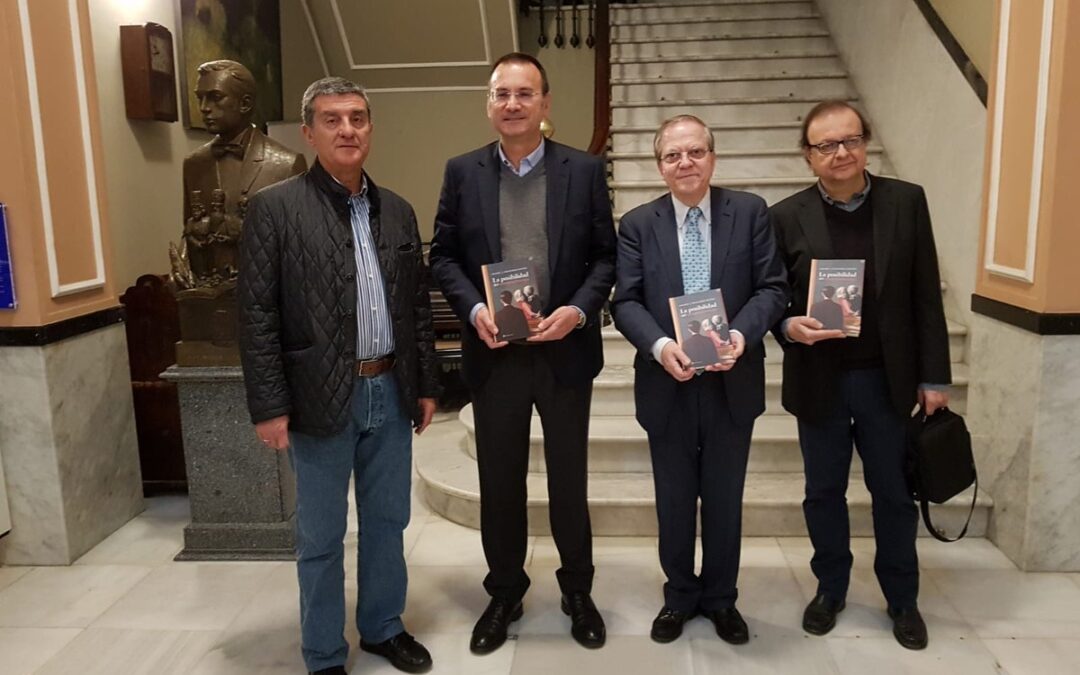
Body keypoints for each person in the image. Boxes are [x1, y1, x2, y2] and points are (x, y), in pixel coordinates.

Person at [237, 77, 440, 675]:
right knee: (321, 536)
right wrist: (268, 404)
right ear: (309, 132)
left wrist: (427, 385)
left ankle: (383, 626)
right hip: (318, 395)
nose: (347, 129)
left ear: (370, 128)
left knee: (388, 521)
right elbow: (256, 314)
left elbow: (415, 309)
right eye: (332, 120)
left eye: (357, 118)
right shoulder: (274, 209)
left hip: (390, 390)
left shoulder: (397, 210)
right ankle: (324, 652)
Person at [429, 52, 616, 654]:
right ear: (489, 104)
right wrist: (474, 311)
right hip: (495, 353)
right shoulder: (463, 172)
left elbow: (605, 258)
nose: (512, 104)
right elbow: (444, 257)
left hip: (564, 353)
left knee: (568, 481)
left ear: (545, 103)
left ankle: (577, 590)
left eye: (524, 93)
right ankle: (505, 590)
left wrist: (577, 312)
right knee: (501, 482)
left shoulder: (583, 170)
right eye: (501, 94)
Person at [770, 100, 951, 650]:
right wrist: (787, 326)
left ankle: (902, 598)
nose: (840, 153)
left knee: (893, 492)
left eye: (850, 140)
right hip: (818, 378)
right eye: (826, 145)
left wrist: (935, 377)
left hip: (886, 380)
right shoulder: (785, 215)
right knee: (823, 492)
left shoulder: (906, 201)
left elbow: (926, 294)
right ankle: (831, 588)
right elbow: (772, 295)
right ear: (808, 156)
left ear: (865, 143)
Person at [611, 114, 788, 645]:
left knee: (724, 498)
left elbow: (772, 288)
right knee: (673, 499)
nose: (685, 162)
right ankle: (680, 596)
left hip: (732, 382)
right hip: (667, 381)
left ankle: (721, 598)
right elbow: (626, 301)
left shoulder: (750, 213)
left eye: (695, 152)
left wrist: (740, 336)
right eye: (673, 155)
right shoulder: (637, 224)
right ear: (659, 166)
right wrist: (661, 347)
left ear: (712, 157)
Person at [182, 60, 306, 281]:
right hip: (208, 291)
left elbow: (299, 246)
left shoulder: (287, 164)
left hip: (267, 291)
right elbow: (189, 229)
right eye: (200, 98)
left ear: (245, 103)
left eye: (215, 97)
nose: (204, 107)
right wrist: (182, 267)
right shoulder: (193, 164)